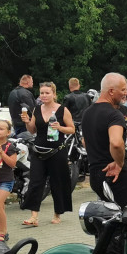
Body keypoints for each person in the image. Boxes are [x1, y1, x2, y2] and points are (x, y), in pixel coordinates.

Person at [19, 82, 75, 227]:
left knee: (57, 182)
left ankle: (57, 214)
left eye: (47, 93)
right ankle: (34, 216)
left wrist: (60, 127)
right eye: (42, 93)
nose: (44, 96)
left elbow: (72, 129)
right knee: (36, 182)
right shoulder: (36, 109)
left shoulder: (62, 110)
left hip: (57, 151)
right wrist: (27, 122)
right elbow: (32, 130)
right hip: (39, 151)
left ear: (54, 94)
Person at [82, 73, 127, 206]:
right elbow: (116, 143)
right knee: (121, 219)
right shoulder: (114, 114)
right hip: (114, 175)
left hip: (95, 174)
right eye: (123, 89)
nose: (125, 93)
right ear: (111, 91)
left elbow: (84, 142)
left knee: (104, 217)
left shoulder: (87, 113)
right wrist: (120, 163)